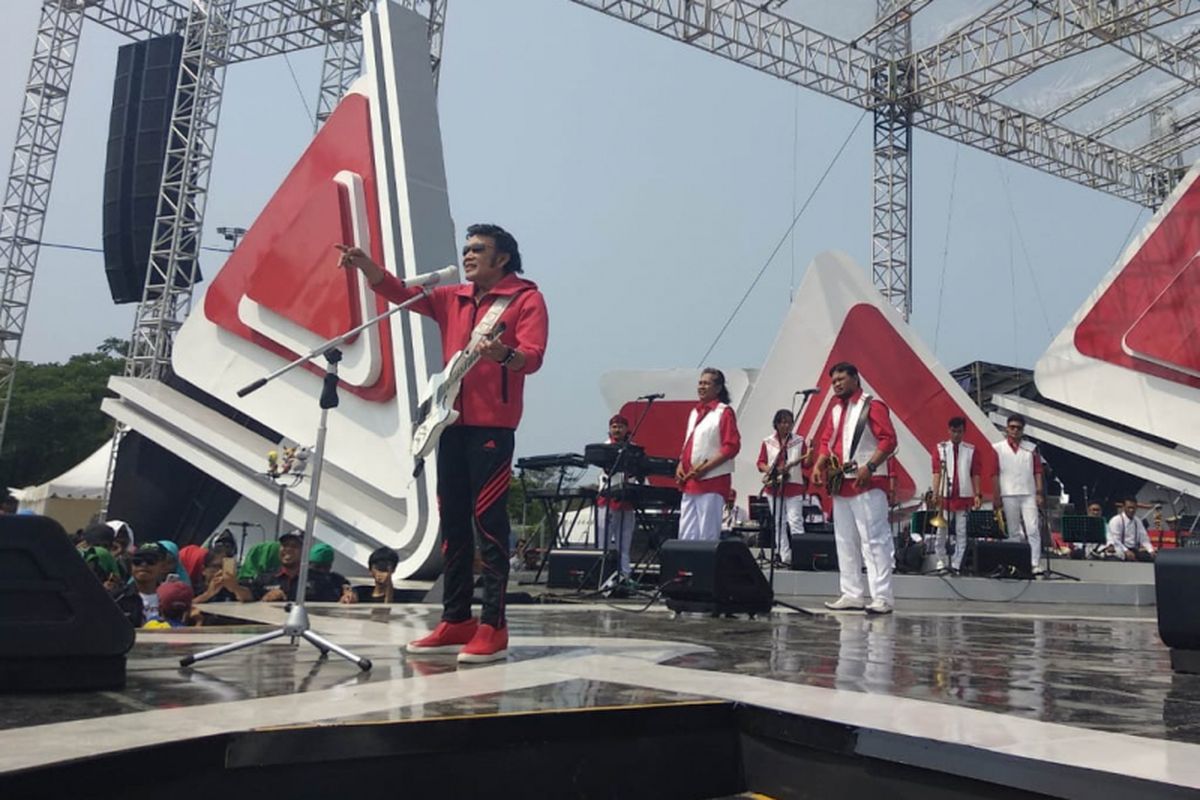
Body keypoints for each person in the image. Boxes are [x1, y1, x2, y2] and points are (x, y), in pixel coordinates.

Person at [339, 223, 548, 664]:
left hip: (492, 428)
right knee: (451, 524)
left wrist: (502, 355)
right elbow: (397, 292)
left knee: (488, 525)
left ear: (503, 257)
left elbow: (532, 358)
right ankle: (456, 619)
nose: (468, 255)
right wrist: (366, 267)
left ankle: (493, 624)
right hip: (448, 421)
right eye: (467, 249)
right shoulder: (451, 297)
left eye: (478, 249)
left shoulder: (526, 299)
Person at [811, 362, 898, 615]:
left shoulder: (872, 405)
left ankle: (882, 597)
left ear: (855, 379)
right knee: (845, 540)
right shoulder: (836, 409)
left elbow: (889, 440)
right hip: (841, 483)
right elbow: (827, 441)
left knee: (873, 541)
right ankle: (852, 593)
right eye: (833, 380)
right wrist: (819, 464)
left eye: (841, 378)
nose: (836, 383)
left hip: (868, 482)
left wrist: (869, 466)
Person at [675, 368, 741, 542]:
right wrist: (681, 464)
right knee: (686, 534)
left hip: (712, 481)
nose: (701, 387)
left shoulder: (724, 412)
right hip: (690, 482)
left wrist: (706, 468)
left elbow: (731, 446)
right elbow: (688, 444)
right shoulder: (694, 412)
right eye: (700, 383)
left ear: (718, 388)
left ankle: (706, 569)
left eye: (706, 383)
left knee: (707, 535)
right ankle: (687, 568)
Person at [992, 413, 1045, 576]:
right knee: (1013, 530)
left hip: (1028, 492)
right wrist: (996, 495)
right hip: (1008, 493)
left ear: (1023, 430)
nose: (1015, 431)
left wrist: (1039, 492)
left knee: (1032, 528)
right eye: (1012, 427)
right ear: (1007, 428)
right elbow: (994, 473)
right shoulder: (998, 448)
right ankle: (1014, 562)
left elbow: (1037, 471)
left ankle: (1034, 563)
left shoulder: (1031, 448)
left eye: (1018, 428)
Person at [930, 416, 983, 575]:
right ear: (949, 430)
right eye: (953, 431)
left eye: (959, 432)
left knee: (961, 532)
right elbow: (936, 472)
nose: (956, 435)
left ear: (964, 432)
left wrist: (977, 494)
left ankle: (957, 564)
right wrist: (936, 492)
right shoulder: (940, 448)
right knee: (941, 531)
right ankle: (941, 560)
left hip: (964, 495)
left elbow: (976, 474)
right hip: (945, 495)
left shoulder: (971, 450)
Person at [756, 408, 807, 566]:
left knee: (795, 521)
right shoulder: (768, 441)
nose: (786, 425)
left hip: (794, 485)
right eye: (782, 422)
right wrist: (771, 470)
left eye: (789, 422)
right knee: (779, 522)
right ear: (776, 424)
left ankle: (800, 556)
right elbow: (760, 463)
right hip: (774, 486)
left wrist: (810, 455)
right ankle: (784, 555)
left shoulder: (799, 441)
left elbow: (807, 463)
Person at [250, 532, 345, 602]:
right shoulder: (265, 578)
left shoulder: (320, 580)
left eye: (294, 546)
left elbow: (345, 590)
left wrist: (349, 594)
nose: (288, 549)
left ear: (305, 551)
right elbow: (246, 594)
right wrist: (265, 598)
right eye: (285, 545)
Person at [596, 414, 637, 578]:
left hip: (627, 500)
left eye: (620, 426)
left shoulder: (633, 448)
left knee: (624, 543)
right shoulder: (604, 448)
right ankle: (603, 575)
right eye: (614, 427)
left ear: (626, 429)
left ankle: (624, 575)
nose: (617, 429)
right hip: (608, 498)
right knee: (603, 542)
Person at [110, 542, 167, 626]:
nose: (143, 565)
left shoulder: (172, 597)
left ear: (163, 566)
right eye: (137, 561)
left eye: (150, 561)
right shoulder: (117, 598)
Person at [1107, 496, 1156, 561]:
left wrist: (1151, 550)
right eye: (1129, 508)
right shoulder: (1116, 520)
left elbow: (1144, 539)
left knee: (1149, 558)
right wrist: (1126, 551)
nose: (1131, 510)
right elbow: (1115, 540)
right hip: (1119, 549)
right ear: (1123, 507)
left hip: (1134, 549)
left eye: (1133, 508)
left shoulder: (1137, 521)